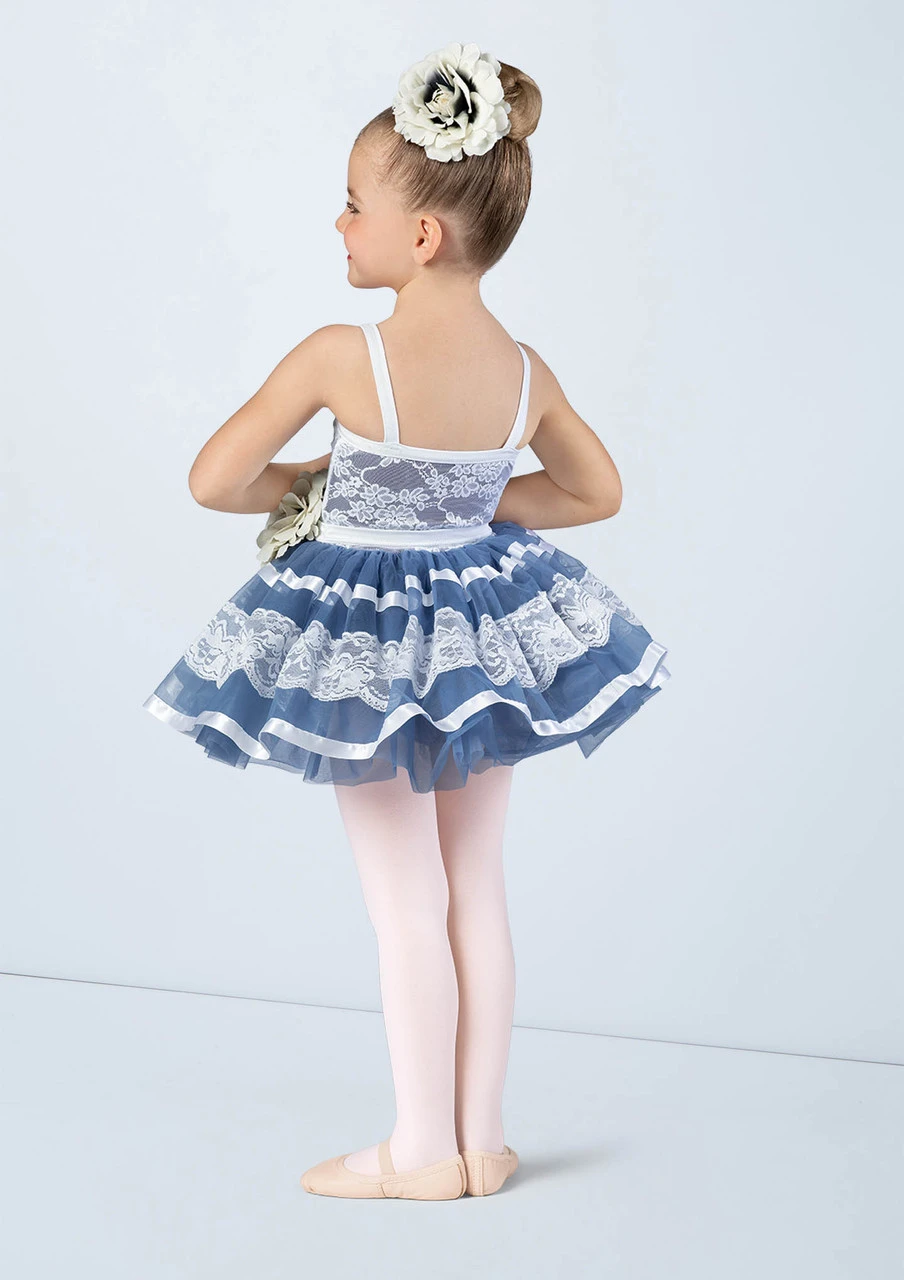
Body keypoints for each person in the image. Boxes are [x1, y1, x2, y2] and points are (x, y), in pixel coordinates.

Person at [142, 42, 671, 1201]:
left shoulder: (346, 355)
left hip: (367, 649)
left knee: (402, 902)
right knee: (474, 884)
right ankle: (481, 1140)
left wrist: (323, 484)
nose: (337, 224)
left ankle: (420, 1148)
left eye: (351, 203)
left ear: (421, 234)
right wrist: (470, 499)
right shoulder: (522, 370)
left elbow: (214, 479)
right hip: (483, 636)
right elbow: (594, 491)